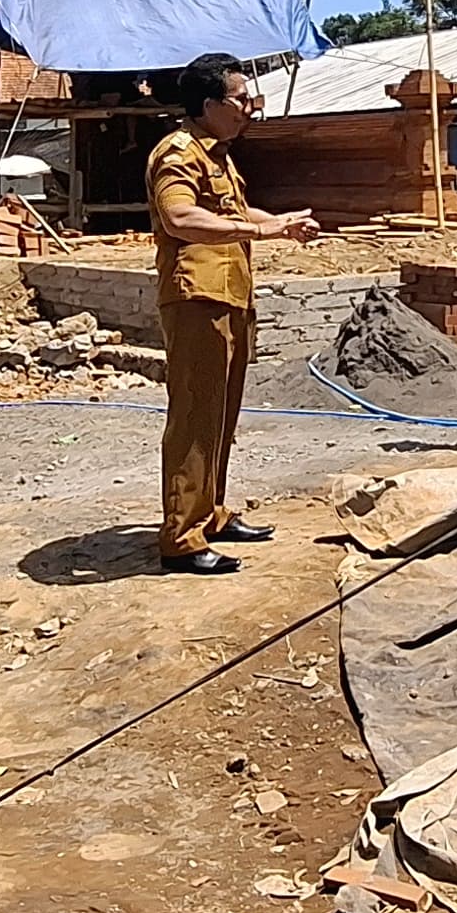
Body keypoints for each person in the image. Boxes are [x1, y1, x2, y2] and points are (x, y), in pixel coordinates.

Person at [146, 53, 321, 573]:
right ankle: (181, 537)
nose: (250, 108)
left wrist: (282, 223)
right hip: (197, 297)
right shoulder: (177, 154)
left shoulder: (217, 155)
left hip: (230, 295)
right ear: (208, 105)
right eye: (241, 100)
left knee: (222, 415)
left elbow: (235, 214)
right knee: (195, 416)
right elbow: (180, 217)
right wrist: (262, 231)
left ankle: (212, 514)